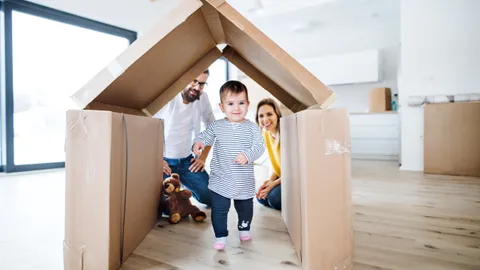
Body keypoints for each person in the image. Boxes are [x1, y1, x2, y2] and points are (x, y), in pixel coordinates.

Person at [192, 80, 265, 250]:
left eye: (241, 103)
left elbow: (259, 146)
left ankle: (244, 227)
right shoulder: (217, 126)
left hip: (243, 180)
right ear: (222, 107)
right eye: (230, 104)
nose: (236, 108)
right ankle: (221, 235)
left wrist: (248, 155)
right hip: (221, 179)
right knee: (219, 209)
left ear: (247, 105)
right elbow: (204, 136)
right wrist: (198, 143)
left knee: (245, 208)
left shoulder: (252, 128)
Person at [154, 69, 215, 209]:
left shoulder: (203, 98)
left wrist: (202, 157)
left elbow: (212, 127)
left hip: (187, 161)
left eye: (202, 84)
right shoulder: (166, 97)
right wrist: (155, 160)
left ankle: (183, 188)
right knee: (162, 206)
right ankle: (176, 190)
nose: (197, 88)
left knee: (211, 197)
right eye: (194, 81)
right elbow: (145, 129)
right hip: (164, 163)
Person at [255, 98, 283, 211]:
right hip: (281, 178)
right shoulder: (266, 135)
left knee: (274, 198)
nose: (265, 119)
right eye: (261, 116)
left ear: (277, 115)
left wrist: (273, 184)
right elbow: (277, 167)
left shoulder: (285, 134)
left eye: (269, 114)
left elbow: (294, 171)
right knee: (261, 197)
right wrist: (269, 182)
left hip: (293, 179)